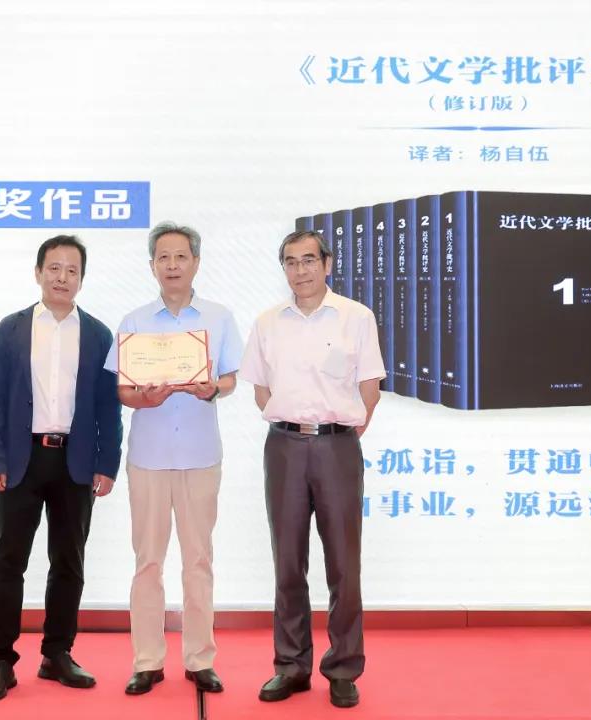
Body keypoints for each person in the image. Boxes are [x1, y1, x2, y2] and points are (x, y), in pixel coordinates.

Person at [239, 229, 385, 709]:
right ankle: (291, 665)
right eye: (290, 261)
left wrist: (342, 430)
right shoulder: (267, 323)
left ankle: (343, 668)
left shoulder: (355, 318)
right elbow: (261, 390)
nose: (299, 270)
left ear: (327, 263)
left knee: (344, 563)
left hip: (337, 446)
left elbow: (369, 388)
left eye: (308, 260)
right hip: (283, 446)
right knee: (287, 561)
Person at [0, 234, 122, 702]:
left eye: (72, 270)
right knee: (7, 562)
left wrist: (107, 462)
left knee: (69, 562)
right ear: (38, 272)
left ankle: (57, 653)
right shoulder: (12, 329)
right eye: (54, 268)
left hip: (75, 462)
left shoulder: (98, 334)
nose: (62, 277)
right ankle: (0, 660)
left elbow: (108, 406)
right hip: (20, 460)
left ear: (82, 278)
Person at [104, 222, 243, 696]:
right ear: (152, 266)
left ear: (196, 262)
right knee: (148, 562)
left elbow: (230, 379)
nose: (172, 265)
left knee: (198, 560)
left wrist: (213, 388)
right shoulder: (134, 322)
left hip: (200, 455)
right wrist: (143, 397)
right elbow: (122, 391)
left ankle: (200, 659)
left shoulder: (219, 318)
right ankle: (147, 661)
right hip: (149, 456)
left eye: (181, 256)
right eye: (163, 257)